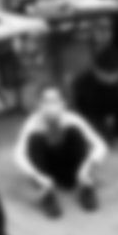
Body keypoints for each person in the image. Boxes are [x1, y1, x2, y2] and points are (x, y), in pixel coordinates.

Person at [14, 86, 107, 218]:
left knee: (74, 132)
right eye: (46, 101)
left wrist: (87, 166)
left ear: (64, 103)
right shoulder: (32, 124)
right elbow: (18, 154)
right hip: (46, 169)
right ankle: (46, 195)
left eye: (55, 101)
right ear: (39, 104)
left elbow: (100, 145)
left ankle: (86, 188)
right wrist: (36, 175)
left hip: (68, 169)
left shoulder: (73, 119)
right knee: (35, 139)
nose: (51, 105)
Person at [72, 44, 118, 146]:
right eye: (104, 74)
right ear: (95, 69)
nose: (108, 78)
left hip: (116, 109)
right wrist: (105, 134)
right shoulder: (81, 84)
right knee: (101, 137)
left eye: (112, 75)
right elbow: (85, 115)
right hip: (90, 113)